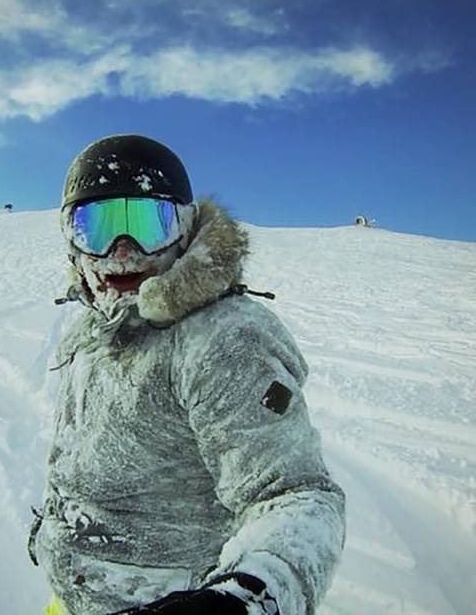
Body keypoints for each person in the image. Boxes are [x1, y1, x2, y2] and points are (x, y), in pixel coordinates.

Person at [29, 134, 345, 615]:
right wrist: (55, 527)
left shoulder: (222, 339)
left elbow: (299, 496)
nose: (122, 253)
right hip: (72, 599)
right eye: (96, 229)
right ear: (70, 242)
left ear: (185, 230)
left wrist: (245, 597)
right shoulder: (93, 330)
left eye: (146, 225)